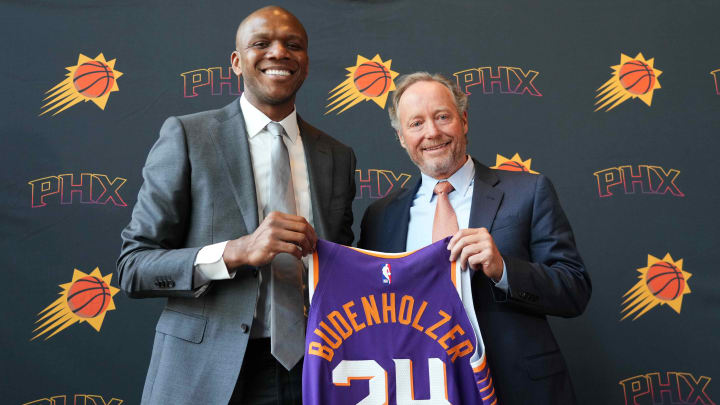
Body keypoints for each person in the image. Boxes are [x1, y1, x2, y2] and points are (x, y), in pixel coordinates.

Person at [117, 6, 356, 405]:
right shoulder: (188, 136)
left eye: (292, 45)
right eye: (261, 43)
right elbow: (133, 267)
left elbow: (340, 266)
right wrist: (234, 252)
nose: (278, 52)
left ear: (306, 63)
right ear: (236, 61)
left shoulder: (338, 155)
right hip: (205, 371)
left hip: (313, 371)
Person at [358, 72, 591, 405]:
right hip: (421, 389)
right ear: (400, 136)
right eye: (416, 123)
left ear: (463, 120)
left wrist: (503, 269)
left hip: (518, 388)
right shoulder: (380, 217)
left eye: (442, 117)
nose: (432, 133)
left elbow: (575, 289)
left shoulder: (528, 192)